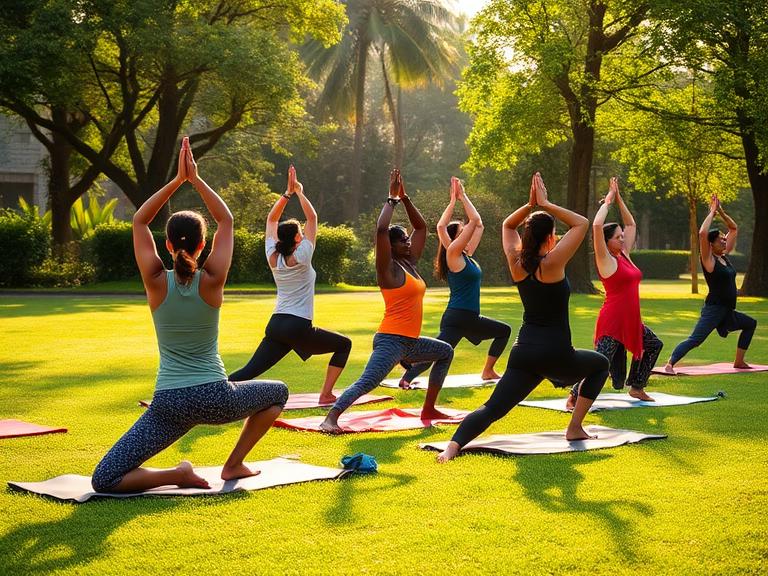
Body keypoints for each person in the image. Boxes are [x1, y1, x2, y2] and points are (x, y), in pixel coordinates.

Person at [91, 138, 288, 493]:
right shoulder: (211, 281)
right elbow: (225, 220)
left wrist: (176, 181)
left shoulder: (155, 283)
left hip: (169, 403)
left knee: (105, 479)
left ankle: (176, 474)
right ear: (202, 245)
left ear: (167, 245)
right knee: (279, 392)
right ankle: (233, 464)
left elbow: (139, 222)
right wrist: (195, 179)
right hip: (216, 399)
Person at [437, 172, 609, 462]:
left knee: (492, 408)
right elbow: (581, 223)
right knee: (600, 364)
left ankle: (452, 447)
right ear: (552, 236)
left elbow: (507, 224)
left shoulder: (517, 262)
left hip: (524, 354)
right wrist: (545, 203)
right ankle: (575, 426)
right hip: (557, 355)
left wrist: (530, 206)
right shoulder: (553, 263)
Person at [320, 169, 454, 433]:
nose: (408, 242)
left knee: (445, 351)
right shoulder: (388, 269)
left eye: (406, 240)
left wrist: (405, 198)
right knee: (368, 381)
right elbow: (381, 229)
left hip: (410, 343)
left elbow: (421, 228)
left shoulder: (410, 263)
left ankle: (428, 408)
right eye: (402, 240)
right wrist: (391, 200)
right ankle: (330, 418)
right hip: (391, 340)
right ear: (390, 246)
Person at [228, 165, 351, 404]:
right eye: (300, 234)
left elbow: (271, 219)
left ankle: (214, 394)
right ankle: (326, 394)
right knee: (344, 344)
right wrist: (300, 193)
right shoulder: (303, 255)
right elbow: (312, 218)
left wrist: (286, 193)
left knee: (249, 371)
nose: (304, 236)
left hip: (276, 324)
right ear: (297, 238)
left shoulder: (272, 255)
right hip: (297, 326)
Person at [398, 177, 510, 387]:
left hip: (465, 317)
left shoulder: (466, 255)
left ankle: (407, 376)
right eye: (461, 233)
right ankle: (487, 371)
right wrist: (458, 199)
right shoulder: (453, 255)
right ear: (455, 238)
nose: (466, 233)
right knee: (503, 331)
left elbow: (479, 225)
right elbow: (465, 222)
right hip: (460, 316)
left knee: (439, 351)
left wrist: (458, 197)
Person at [566, 177, 662, 410]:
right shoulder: (606, 259)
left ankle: (637, 387)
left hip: (631, 320)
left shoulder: (624, 254)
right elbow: (597, 226)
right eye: (617, 237)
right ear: (607, 242)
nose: (622, 238)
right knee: (601, 362)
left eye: (622, 237)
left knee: (654, 345)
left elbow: (631, 225)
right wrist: (607, 202)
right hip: (613, 321)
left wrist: (619, 198)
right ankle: (574, 396)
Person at [664, 195, 757, 373]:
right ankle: (670, 363)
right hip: (714, 310)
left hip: (727, 311)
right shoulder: (709, 261)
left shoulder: (723, 257)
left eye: (724, 238)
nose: (724, 240)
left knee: (750, 323)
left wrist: (720, 211)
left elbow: (734, 228)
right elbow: (702, 234)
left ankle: (739, 362)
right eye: (721, 239)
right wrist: (711, 212)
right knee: (696, 340)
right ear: (711, 244)